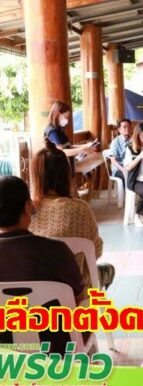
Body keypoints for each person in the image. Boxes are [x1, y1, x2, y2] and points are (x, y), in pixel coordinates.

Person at [0, 176, 84, 355]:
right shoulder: (56, 251)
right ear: (27, 206)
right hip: (56, 348)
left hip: (5, 352)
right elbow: (76, 298)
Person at [29, 140, 115, 296]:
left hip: (33, 293)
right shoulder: (81, 209)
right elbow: (96, 250)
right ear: (67, 174)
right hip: (74, 291)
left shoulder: (25, 211)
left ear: (35, 176)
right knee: (107, 270)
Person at [44, 100, 96, 173]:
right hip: (57, 168)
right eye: (65, 116)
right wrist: (82, 149)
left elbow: (68, 147)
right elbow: (62, 152)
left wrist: (86, 146)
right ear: (58, 114)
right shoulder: (52, 131)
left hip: (65, 165)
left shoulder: (59, 129)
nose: (67, 119)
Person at [106, 118, 132, 187]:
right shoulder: (115, 142)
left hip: (130, 166)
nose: (127, 128)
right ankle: (126, 193)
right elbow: (113, 161)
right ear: (119, 130)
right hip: (118, 168)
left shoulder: (133, 140)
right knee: (128, 174)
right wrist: (123, 170)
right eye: (124, 127)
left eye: (129, 126)